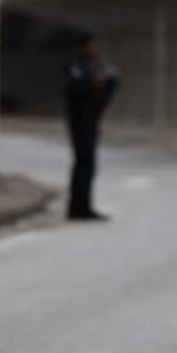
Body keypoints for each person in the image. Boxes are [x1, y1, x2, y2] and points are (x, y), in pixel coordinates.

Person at [64, 33, 119, 221]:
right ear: (83, 47)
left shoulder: (94, 66)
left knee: (88, 166)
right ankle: (77, 208)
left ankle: (84, 206)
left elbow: (104, 92)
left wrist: (105, 84)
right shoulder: (76, 67)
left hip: (91, 121)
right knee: (83, 165)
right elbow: (77, 90)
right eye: (91, 45)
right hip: (80, 122)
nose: (95, 49)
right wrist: (93, 84)